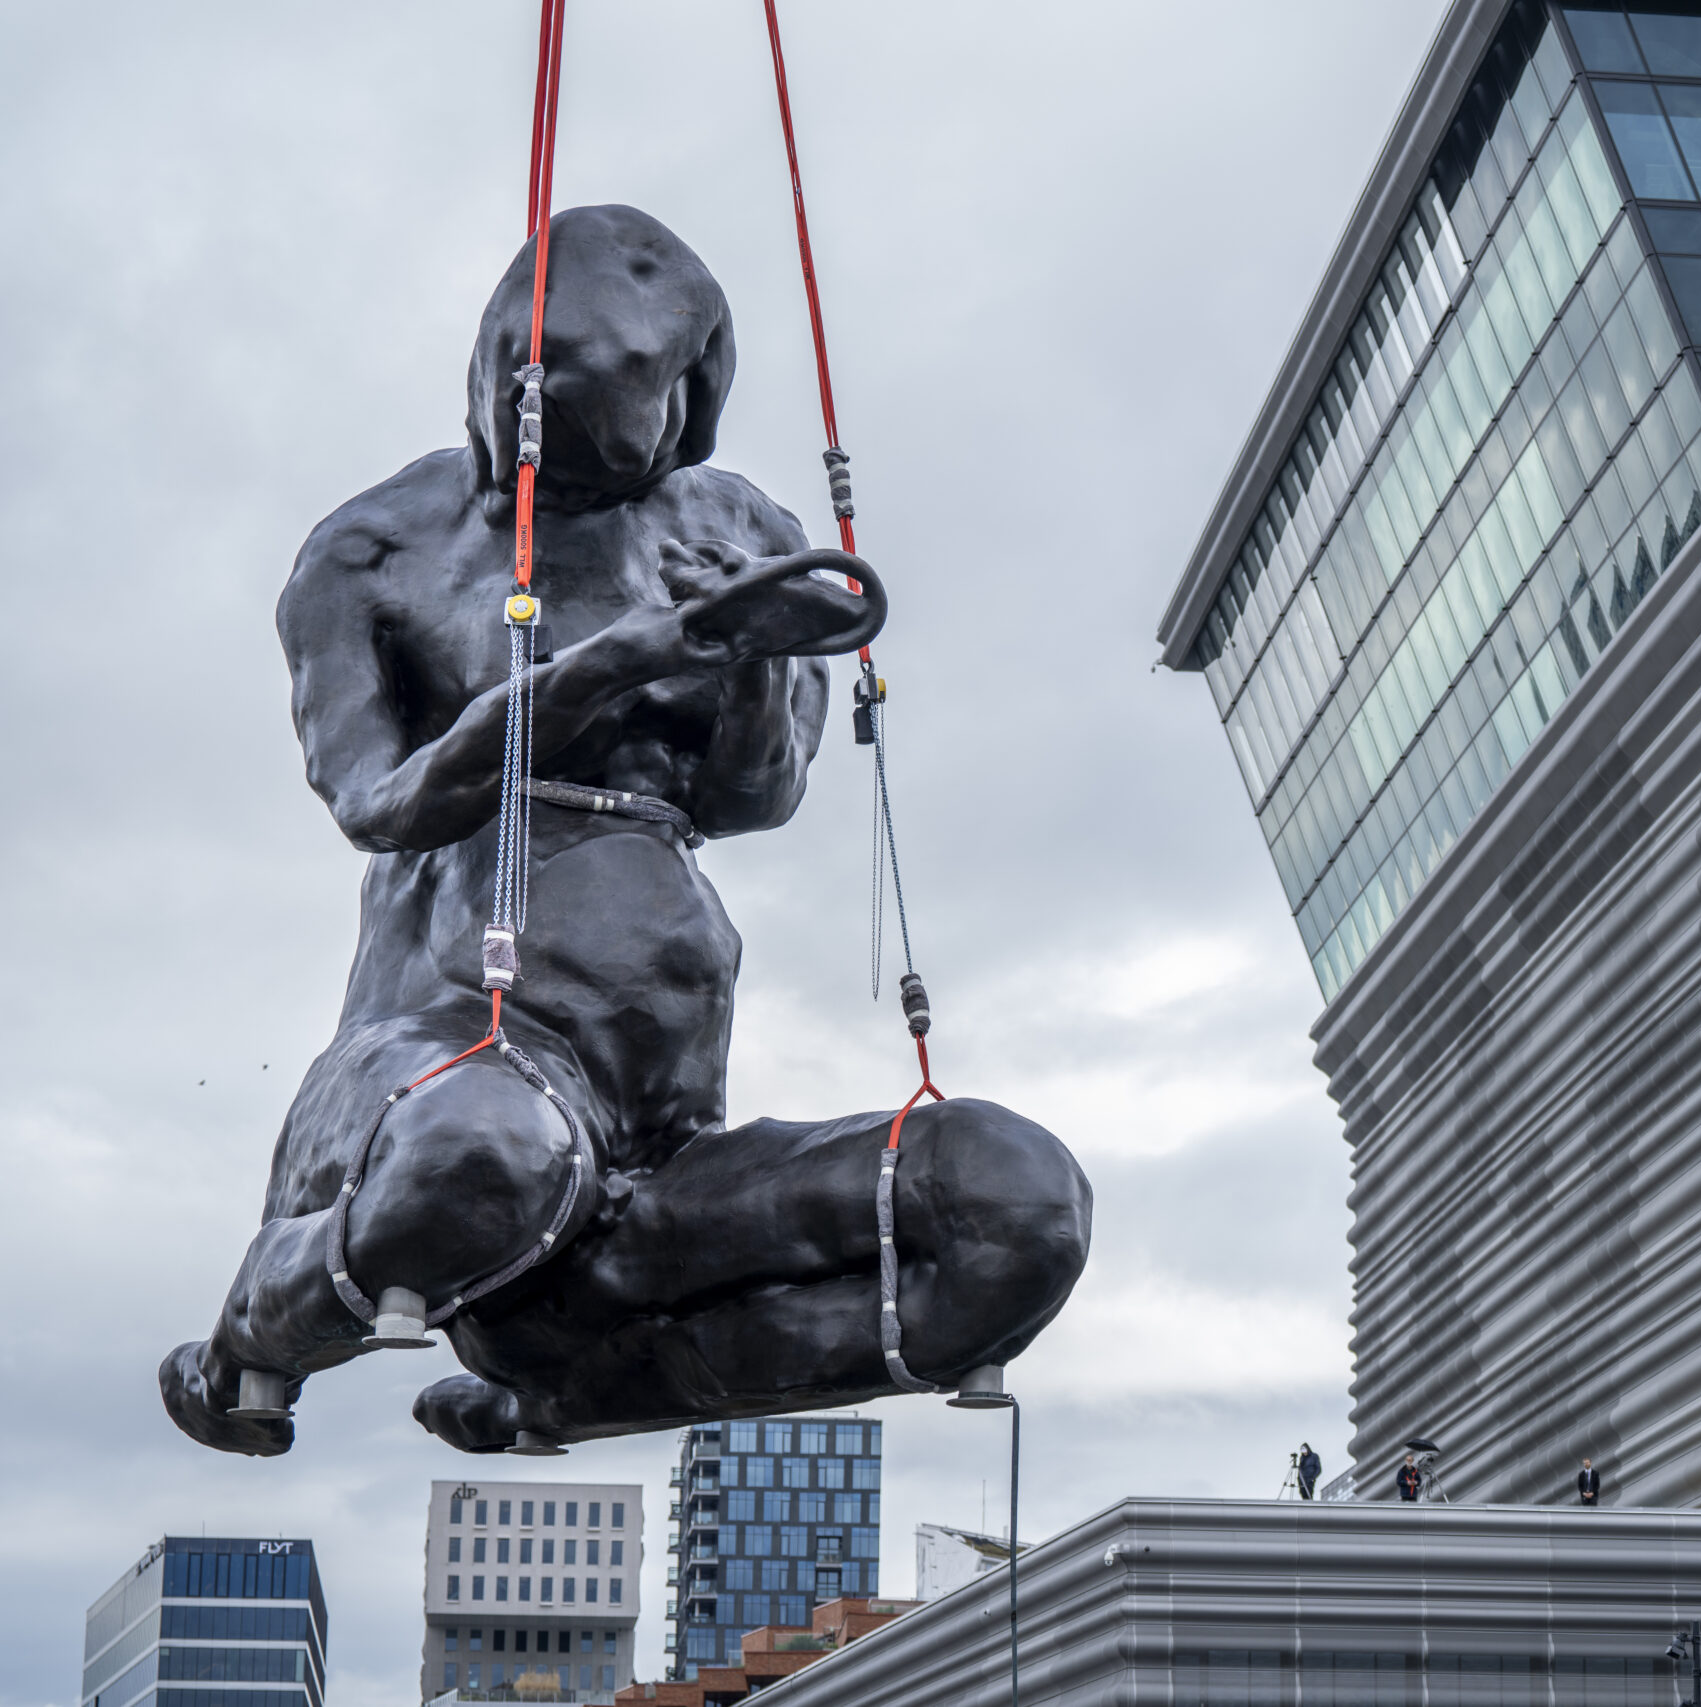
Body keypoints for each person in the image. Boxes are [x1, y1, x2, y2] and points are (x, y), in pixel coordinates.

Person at [158, 205, 1093, 1456]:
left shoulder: (739, 528)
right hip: (449, 1053)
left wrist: (753, 660)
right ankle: (246, 1346)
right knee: (483, 1154)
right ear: (504, 388)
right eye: (568, 446)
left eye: (636, 450)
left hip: (656, 1116)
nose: (604, 489)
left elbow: (755, 797)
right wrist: (598, 671)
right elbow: (376, 804)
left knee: (1010, 1204)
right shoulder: (373, 552)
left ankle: (557, 1396)